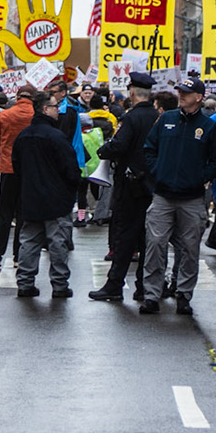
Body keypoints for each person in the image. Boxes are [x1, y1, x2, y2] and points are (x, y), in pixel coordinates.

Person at [139, 78, 216, 315]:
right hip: (163, 196)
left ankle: (184, 294)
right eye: (180, 92)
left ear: (199, 97)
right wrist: (158, 171)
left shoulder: (207, 127)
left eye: (186, 92)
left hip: (192, 199)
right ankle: (152, 294)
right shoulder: (166, 119)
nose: (181, 95)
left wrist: (200, 178)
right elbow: (149, 148)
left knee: (189, 248)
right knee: (155, 244)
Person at [89, 73, 159, 302]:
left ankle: (115, 284)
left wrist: (104, 150)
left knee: (125, 237)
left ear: (132, 93)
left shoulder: (131, 118)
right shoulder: (157, 117)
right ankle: (143, 285)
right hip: (152, 185)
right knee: (147, 239)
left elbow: (119, 145)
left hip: (130, 186)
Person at [11, 91, 82, 298]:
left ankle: (25, 283)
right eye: (54, 106)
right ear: (45, 109)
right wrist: (72, 187)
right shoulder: (56, 136)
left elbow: (16, 166)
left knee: (29, 242)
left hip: (31, 198)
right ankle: (59, 285)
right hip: (56, 199)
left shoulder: (24, 136)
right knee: (57, 243)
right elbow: (70, 168)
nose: (58, 110)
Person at [0, 85, 38, 267]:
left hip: (7, 167)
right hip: (29, 169)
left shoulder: (5, 115)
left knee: (3, 213)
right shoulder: (36, 116)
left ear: (17, 96)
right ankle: (18, 256)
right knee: (23, 214)